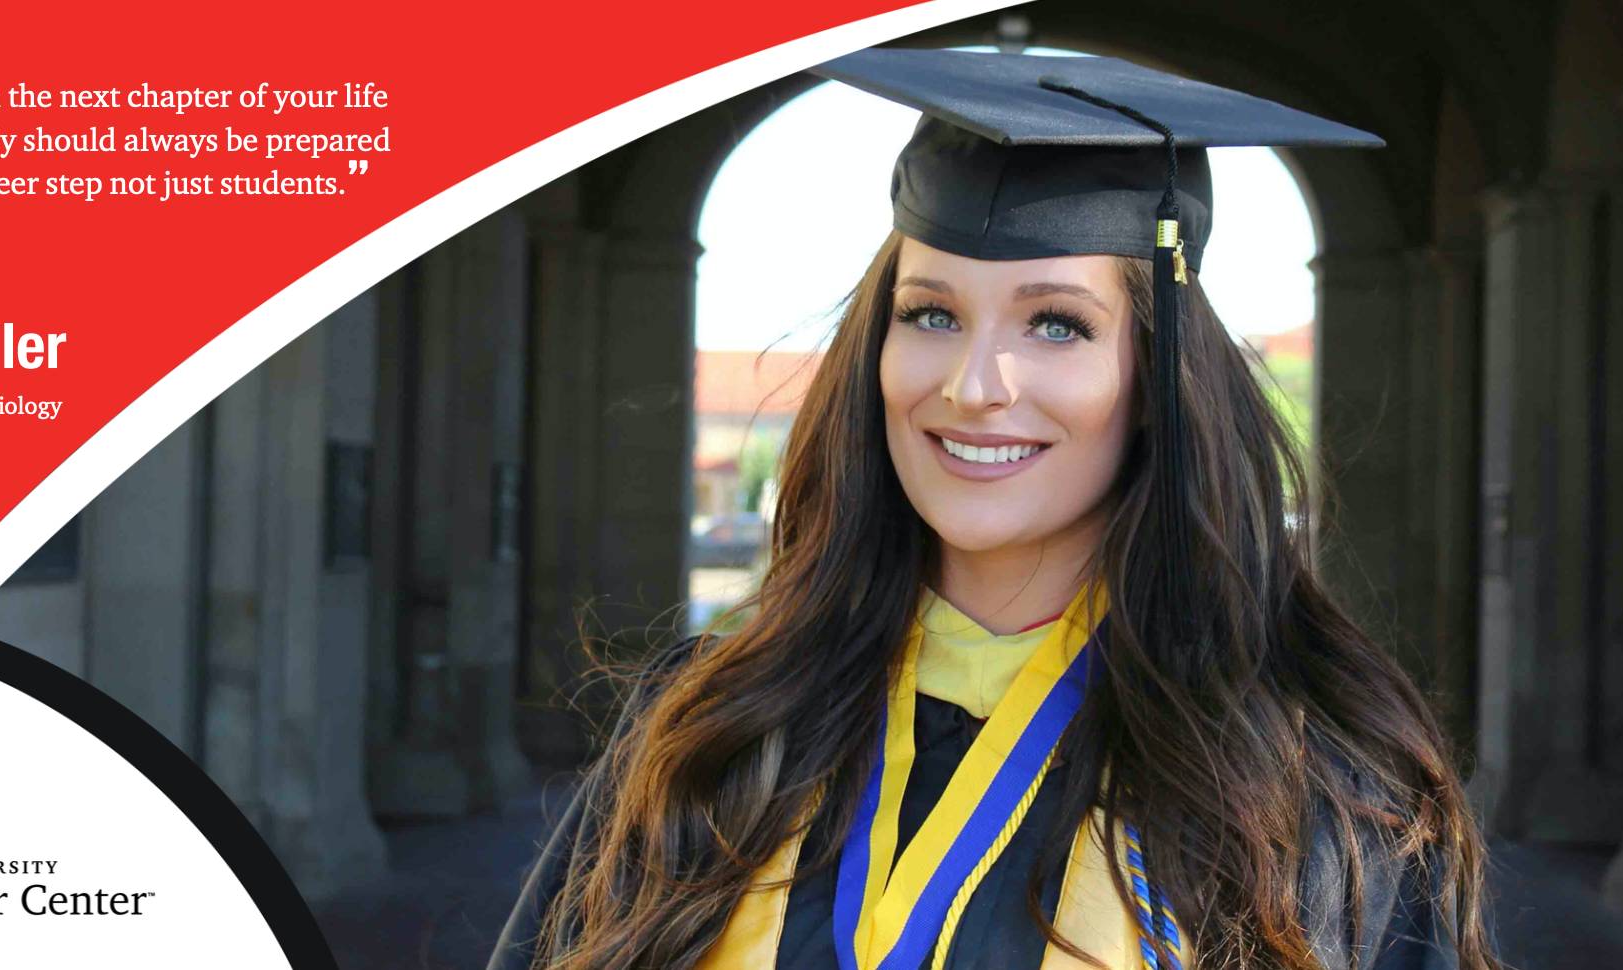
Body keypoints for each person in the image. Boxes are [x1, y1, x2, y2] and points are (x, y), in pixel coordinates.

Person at [489, 47, 1498, 970]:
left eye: (1056, 324)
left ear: (1154, 376)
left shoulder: (1301, 786)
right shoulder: (715, 728)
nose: (975, 385)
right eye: (930, 313)